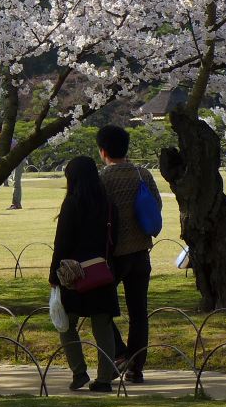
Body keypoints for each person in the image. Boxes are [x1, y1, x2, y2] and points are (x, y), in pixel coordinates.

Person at [50, 155, 121, 392]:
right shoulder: (108, 204)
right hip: (101, 272)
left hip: (75, 274)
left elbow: (62, 243)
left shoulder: (72, 203)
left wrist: (54, 276)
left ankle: (79, 371)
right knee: (102, 324)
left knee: (67, 324)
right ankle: (104, 377)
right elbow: (114, 239)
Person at [96, 124, 161, 384]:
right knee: (138, 312)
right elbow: (156, 204)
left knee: (100, 307)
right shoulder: (143, 174)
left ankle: (120, 353)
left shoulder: (103, 179)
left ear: (103, 151)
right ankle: (136, 367)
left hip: (114, 255)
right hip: (141, 251)